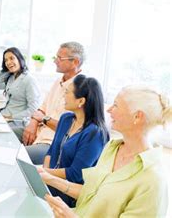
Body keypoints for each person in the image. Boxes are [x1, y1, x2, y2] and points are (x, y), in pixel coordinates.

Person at [39, 85, 171, 217]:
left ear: (137, 117)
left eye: (116, 105)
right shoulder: (111, 149)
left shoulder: (153, 180)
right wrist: (49, 178)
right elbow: (92, 193)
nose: (109, 110)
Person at [43, 75, 109, 207]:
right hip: (50, 181)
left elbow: (76, 174)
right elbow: (51, 151)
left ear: (81, 101)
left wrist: (45, 174)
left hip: (68, 192)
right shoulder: (65, 119)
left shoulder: (94, 133)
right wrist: (44, 174)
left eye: (67, 92)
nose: (63, 96)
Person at [14, 42, 84, 164]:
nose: (55, 61)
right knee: (4, 132)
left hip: (51, 143)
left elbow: (72, 129)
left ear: (76, 62)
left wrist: (43, 119)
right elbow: (42, 108)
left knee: (14, 156)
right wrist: (33, 123)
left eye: (60, 58)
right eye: (55, 57)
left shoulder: (82, 89)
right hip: (38, 131)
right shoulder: (58, 82)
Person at [0, 47, 41, 131]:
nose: (8, 62)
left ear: (20, 59)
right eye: (6, 60)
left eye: (12, 58)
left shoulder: (29, 80)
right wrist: (6, 69)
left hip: (18, 121)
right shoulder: (11, 77)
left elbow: (34, 109)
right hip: (5, 114)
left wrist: (11, 117)